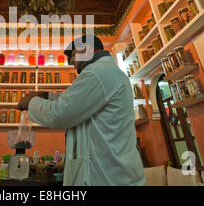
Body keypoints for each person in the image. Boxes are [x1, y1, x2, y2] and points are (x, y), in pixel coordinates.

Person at [17, 34, 145, 186]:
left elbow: (59, 114)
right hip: (113, 176)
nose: (70, 61)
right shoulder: (105, 72)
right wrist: (45, 96)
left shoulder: (96, 73)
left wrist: (31, 102)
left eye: (72, 55)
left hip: (109, 178)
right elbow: (75, 103)